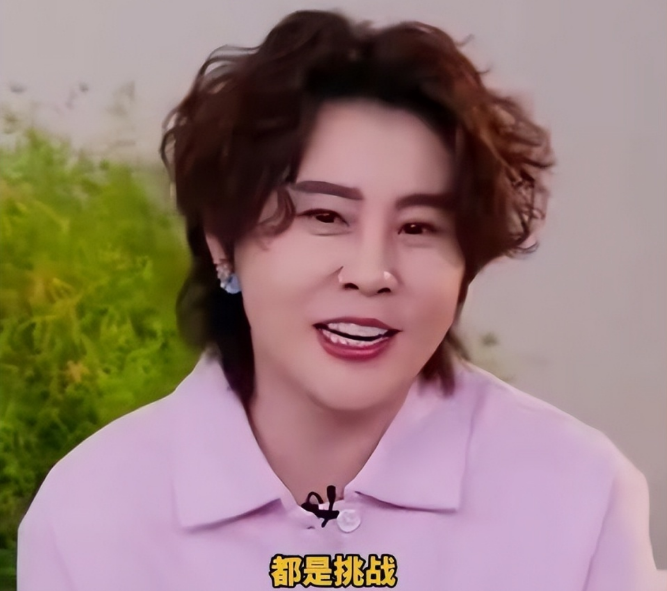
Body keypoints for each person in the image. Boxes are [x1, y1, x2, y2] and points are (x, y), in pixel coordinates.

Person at [17, 9, 659, 591]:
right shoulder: (94, 515)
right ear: (223, 241)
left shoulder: (578, 499)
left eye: (419, 227)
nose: (372, 272)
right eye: (325, 217)